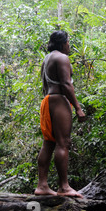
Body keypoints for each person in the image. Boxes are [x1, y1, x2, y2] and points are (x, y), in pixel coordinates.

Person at [35, 30, 86, 197]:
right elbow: (65, 84)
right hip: (59, 100)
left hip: (47, 100)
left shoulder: (47, 59)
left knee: (48, 143)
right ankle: (64, 187)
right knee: (63, 143)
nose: (69, 46)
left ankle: (42, 185)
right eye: (68, 42)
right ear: (62, 43)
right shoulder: (62, 58)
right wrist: (78, 107)